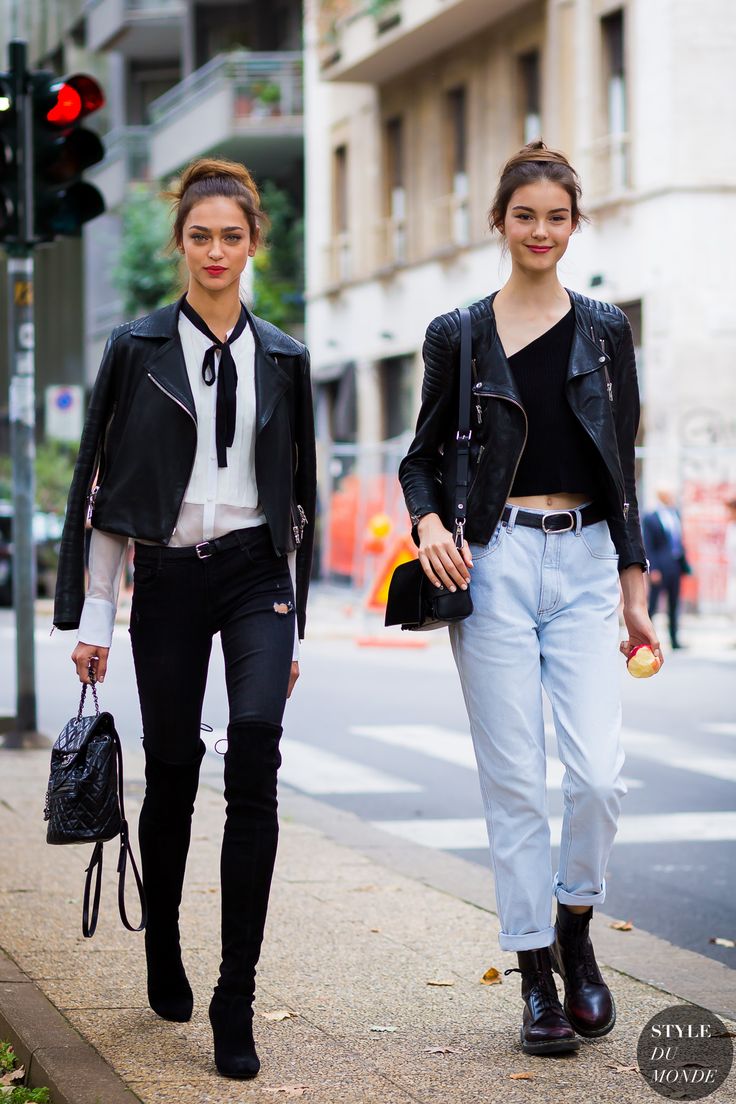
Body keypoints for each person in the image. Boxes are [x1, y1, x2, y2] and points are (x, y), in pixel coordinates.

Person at [53, 159, 316, 1080]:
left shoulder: (284, 356)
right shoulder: (135, 350)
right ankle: (162, 937)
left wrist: (296, 627)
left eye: (232, 237)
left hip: (255, 578)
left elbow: (297, 498)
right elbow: (105, 494)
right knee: (170, 773)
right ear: (181, 245)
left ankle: (233, 995)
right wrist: (95, 618)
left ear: (254, 245)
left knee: (255, 755)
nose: (215, 251)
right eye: (200, 236)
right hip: (164, 579)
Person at [399, 140, 661, 1056]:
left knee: (597, 777)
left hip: (587, 558)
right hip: (493, 561)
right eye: (525, 216)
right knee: (515, 785)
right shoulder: (456, 334)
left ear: (574, 224)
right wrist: (428, 525)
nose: (540, 231)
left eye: (556, 216)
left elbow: (622, 467)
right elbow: (418, 458)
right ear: (500, 224)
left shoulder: (605, 329)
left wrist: (634, 588)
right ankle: (538, 980)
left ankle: (575, 921)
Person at [643, 486, 690, 649]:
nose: (671, 496)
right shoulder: (651, 518)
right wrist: (653, 568)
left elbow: (678, 541)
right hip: (659, 568)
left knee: (674, 604)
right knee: (653, 605)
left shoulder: (675, 514)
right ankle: (644, 638)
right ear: (661, 496)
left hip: (675, 567)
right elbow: (648, 545)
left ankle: (674, 640)